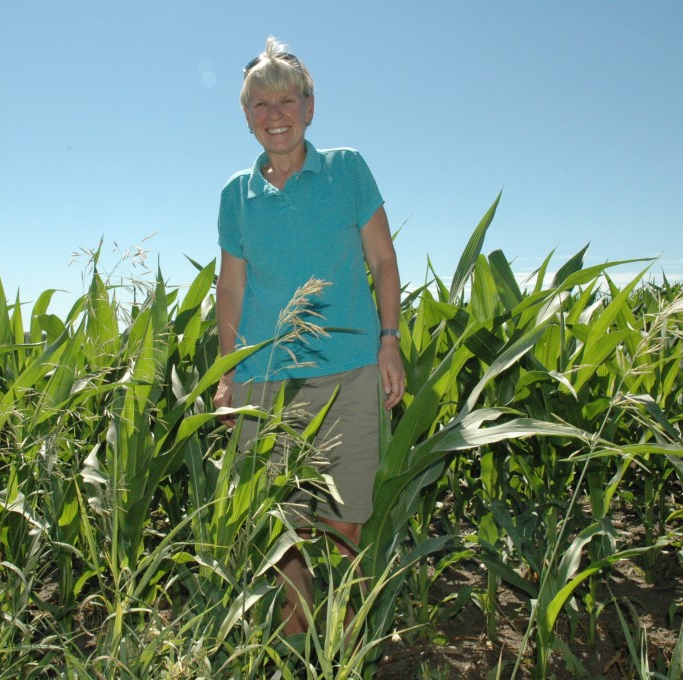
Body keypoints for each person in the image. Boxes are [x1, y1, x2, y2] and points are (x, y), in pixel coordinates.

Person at [213, 36, 405, 637]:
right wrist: (227, 372)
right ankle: (298, 641)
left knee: (346, 521)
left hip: (350, 371)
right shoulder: (235, 195)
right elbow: (231, 288)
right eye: (260, 105)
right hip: (267, 380)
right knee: (281, 527)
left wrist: (390, 340)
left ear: (309, 107)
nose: (275, 115)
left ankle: (341, 644)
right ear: (247, 118)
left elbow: (384, 262)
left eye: (286, 101)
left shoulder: (347, 169)